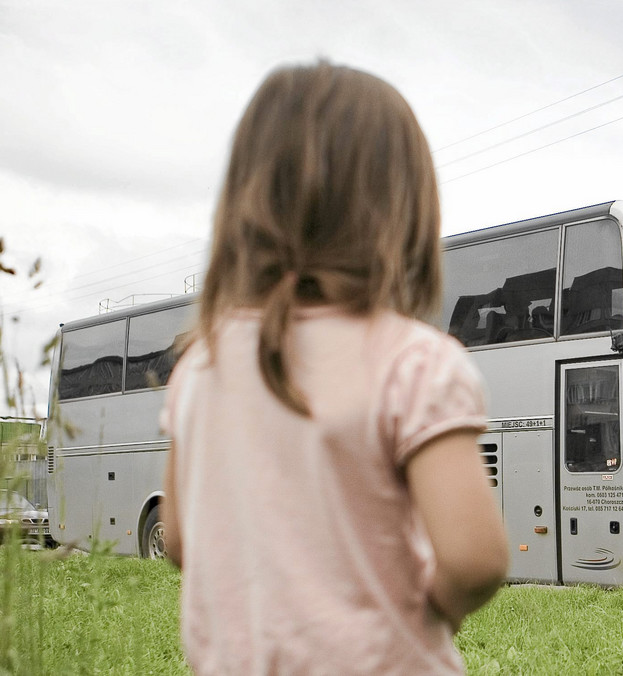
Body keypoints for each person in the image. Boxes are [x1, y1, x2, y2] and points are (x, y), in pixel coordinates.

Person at [159, 61, 509, 675]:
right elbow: (474, 559)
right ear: (403, 212)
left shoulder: (199, 365)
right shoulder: (416, 362)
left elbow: (181, 539)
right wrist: (432, 611)